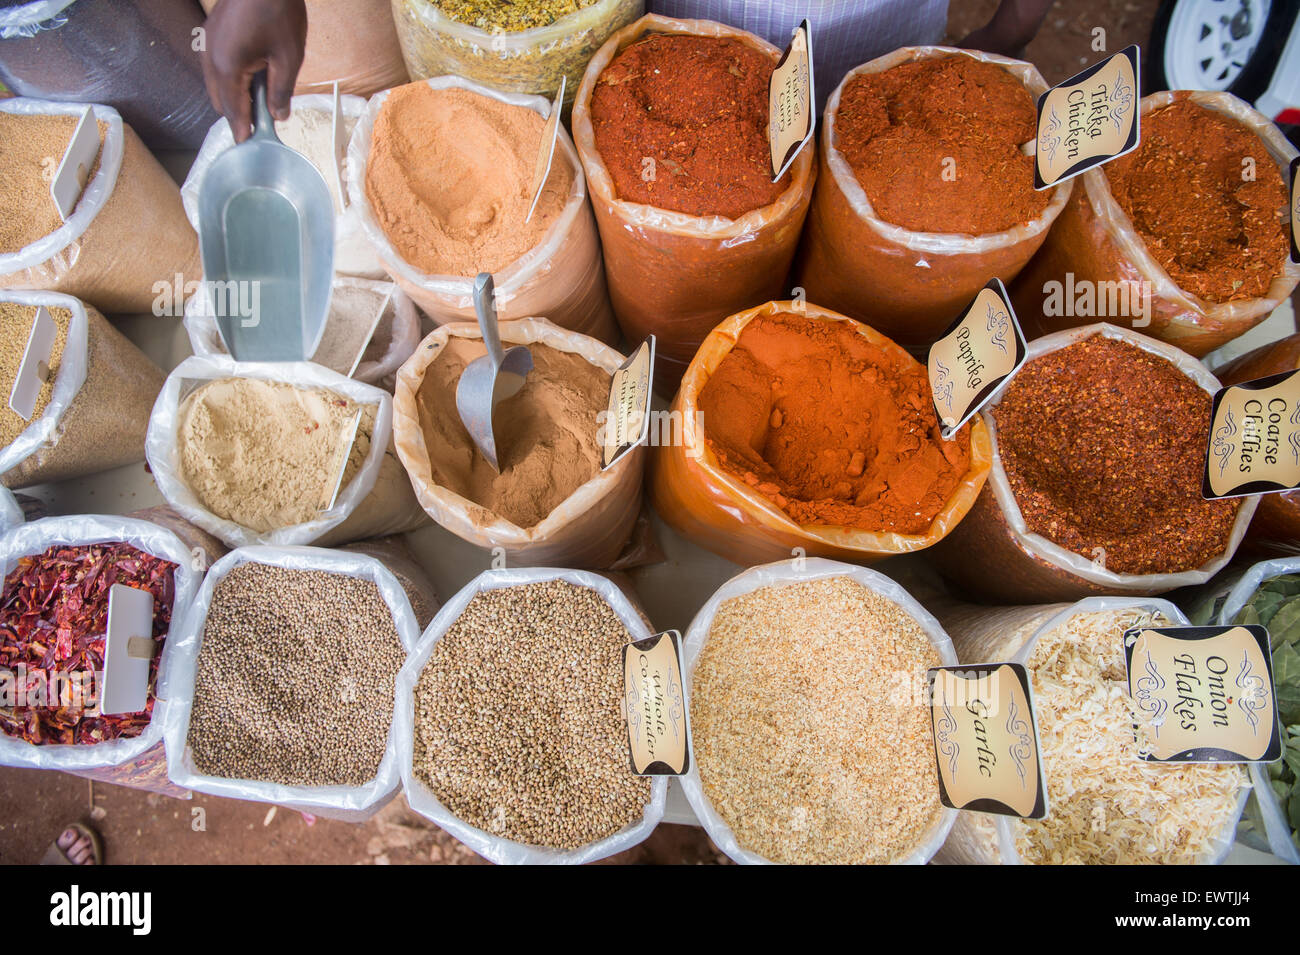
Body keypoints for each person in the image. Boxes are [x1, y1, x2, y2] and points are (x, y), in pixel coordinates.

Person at [201, 0, 1055, 137]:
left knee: (860, 118)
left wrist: (1013, 26)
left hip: (858, 17)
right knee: (673, 95)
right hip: (681, 26)